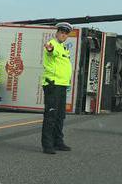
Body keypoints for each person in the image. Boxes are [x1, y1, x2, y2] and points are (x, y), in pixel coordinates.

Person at [41, 22, 73, 154]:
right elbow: (50, 51)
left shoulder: (64, 48)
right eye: (62, 32)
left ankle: (58, 141)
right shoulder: (53, 44)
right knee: (51, 115)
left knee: (60, 115)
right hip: (52, 84)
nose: (63, 35)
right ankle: (47, 145)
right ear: (57, 33)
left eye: (66, 34)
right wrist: (50, 49)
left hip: (62, 85)